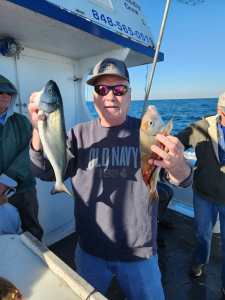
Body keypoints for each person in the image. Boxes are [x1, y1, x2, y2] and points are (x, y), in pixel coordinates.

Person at [28, 58, 192, 300]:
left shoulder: (148, 131)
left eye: (119, 89)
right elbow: (43, 171)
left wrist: (179, 165)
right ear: (93, 96)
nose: (110, 96)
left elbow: (183, 179)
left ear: (129, 94)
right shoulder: (78, 134)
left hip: (140, 255)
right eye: (101, 89)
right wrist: (38, 128)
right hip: (90, 251)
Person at [177, 92, 225, 297]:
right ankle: (199, 262)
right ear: (220, 111)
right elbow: (176, 142)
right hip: (204, 195)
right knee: (202, 235)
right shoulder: (200, 127)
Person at [0, 75, 43, 240]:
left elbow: (31, 151)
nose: (5, 95)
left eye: (9, 93)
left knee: (32, 231)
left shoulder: (22, 121)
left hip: (23, 189)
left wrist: (4, 182)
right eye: (1, 91)